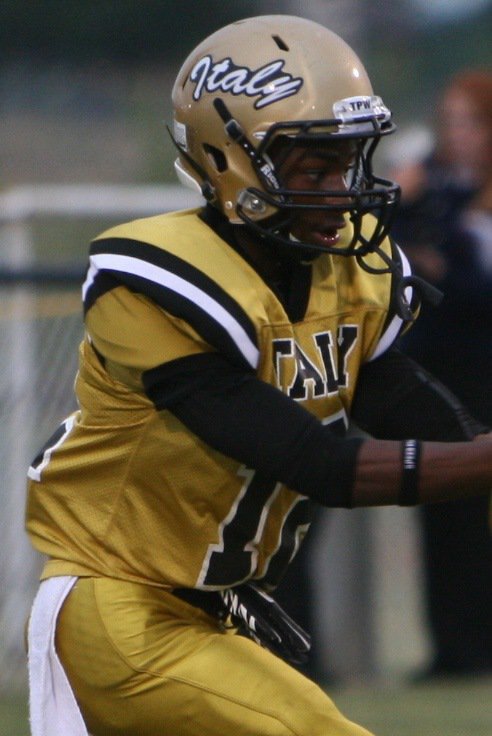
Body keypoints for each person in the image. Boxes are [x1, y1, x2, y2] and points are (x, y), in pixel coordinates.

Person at [25, 15, 492, 736]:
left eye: (350, 162)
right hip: (121, 609)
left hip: (222, 612)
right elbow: (319, 464)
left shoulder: (343, 271)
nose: (342, 190)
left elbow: (396, 395)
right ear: (230, 160)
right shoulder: (155, 287)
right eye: (315, 167)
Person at [392, 70, 492, 678]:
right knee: (442, 509)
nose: (456, 134)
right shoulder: (430, 187)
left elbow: (472, 289)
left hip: (484, 368)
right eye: (450, 119)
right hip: (442, 373)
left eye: (471, 121)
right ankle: (454, 649)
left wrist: (442, 268)